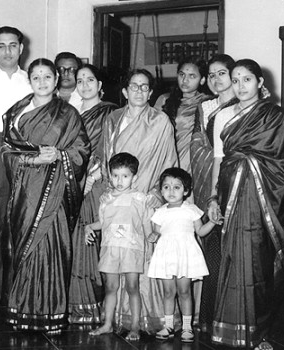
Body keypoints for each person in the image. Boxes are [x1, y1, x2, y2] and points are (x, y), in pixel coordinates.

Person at [211, 59, 284, 350]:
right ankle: (230, 328)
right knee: (233, 258)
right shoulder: (223, 117)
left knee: (258, 265)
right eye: (235, 80)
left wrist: (248, 163)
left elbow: (283, 165)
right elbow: (219, 161)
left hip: (262, 202)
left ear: (260, 82)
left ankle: (258, 332)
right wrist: (213, 197)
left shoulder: (276, 117)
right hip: (230, 196)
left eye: (246, 79)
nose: (240, 86)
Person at [2, 58, 90, 332]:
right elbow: (6, 150)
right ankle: (21, 310)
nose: (42, 82)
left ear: (56, 80)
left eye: (47, 77)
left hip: (55, 192)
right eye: (36, 77)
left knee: (52, 247)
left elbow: (82, 150)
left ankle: (51, 312)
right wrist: (30, 161)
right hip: (25, 193)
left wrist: (60, 154)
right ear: (29, 81)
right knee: (24, 249)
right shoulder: (16, 112)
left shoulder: (69, 114)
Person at [98, 68, 177, 333]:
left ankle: (146, 320)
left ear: (151, 92)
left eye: (145, 87)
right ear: (124, 91)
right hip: (118, 198)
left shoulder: (161, 121)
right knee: (116, 259)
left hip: (145, 199)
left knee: (142, 261)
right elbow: (105, 156)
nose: (139, 91)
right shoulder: (113, 119)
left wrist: (155, 194)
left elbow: (168, 161)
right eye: (134, 86)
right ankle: (114, 319)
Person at [0, 26, 31, 319]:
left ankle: (22, 296)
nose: (8, 51)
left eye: (13, 45)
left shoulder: (33, 80)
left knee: (25, 227)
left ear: (21, 48)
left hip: (26, 153)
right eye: (1, 46)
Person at [189, 54, 237, 333]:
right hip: (212, 185)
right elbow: (197, 147)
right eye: (212, 74)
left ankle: (235, 317)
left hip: (238, 184)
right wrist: (209, 190)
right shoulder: (205, 106)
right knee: (213, 250)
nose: (217, 79)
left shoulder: (245, 106)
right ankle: (209, 317)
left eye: (223, 73)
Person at [68, 64, 117, 325]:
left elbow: (110, 148)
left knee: (92, 239)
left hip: (96, 184)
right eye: (80, 80)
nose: (84, 85)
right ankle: (78, 304)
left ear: (100, 85)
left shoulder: (109, 112)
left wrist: (93, 177)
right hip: (73, 182)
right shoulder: (71, 112)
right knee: (76, 242)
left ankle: (94, 305)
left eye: (90, 80)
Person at [85, 152, 152, 341]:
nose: (119, 180)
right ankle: (107, 324)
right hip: (110, 249)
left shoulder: (140, 198)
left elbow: (146, 224)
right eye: (115, 175)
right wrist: (89, 227)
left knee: (132, 287)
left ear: (134, 177)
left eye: (125, 176)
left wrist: (151, 242)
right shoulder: (105, 199)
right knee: (110, 287)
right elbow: (103, 222)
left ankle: (135, 326)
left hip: (132, 249)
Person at [148, 167, 219, 343]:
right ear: (161, 190)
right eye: (166, 187)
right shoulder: (160, 212)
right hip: (166, 255)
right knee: (168, 292)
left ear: (186, 190)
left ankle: (187, 327)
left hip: (185, 255)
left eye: (176, 187)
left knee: (185, 291)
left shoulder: (191, 209)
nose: (171, 191)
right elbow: (156, 231)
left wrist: (212, 222)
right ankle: (169, 325)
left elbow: (201, 232)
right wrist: (154, 235)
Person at [155, 56, 209, 173]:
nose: (185, 80)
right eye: (182, 74)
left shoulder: (207, 103)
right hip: (166, 161)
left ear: (202, 80)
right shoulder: (164, 100)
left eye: (192, 76)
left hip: (195, 163)